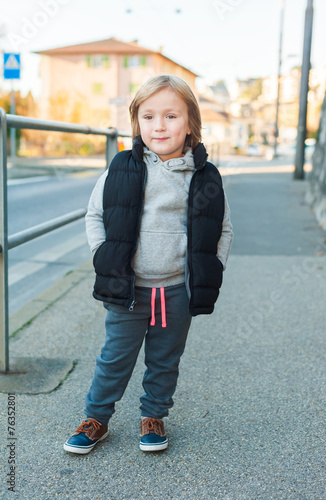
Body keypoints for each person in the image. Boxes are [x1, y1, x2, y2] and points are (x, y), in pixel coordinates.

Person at [63, 74, 233, 455]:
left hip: (177, 289)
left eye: (171, 116)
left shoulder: (204, 176)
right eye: (149, 116)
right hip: (129, 288)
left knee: (165, 359)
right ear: (137, 121)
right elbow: (94, 214)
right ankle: (96, 418)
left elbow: (222, 228)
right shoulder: (122, 167)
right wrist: (100, 255)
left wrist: (212, 268)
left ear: (190, 123)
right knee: (115, 357)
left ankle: (153, 415)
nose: (160, 125)